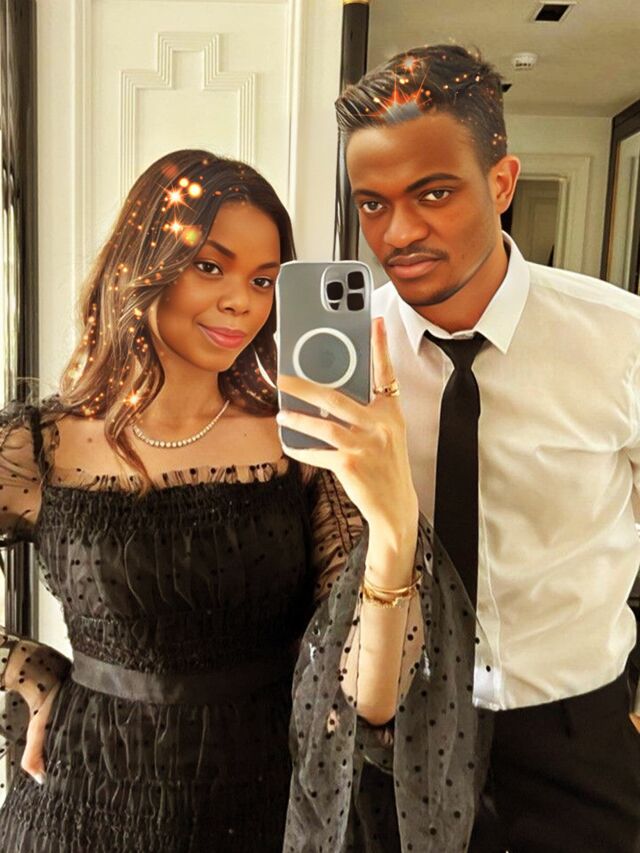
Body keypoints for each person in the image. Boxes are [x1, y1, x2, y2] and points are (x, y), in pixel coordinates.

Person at [0, 147, 471, 852]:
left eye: (263, 280)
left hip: (263, 802)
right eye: (210, 267)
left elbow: (370, 699)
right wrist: (30, 671)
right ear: (142, 261)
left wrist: (395, 521)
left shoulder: (301, 447)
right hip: (80, 803)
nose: (241, 302)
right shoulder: (40, 447)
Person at [313, 42, 640, 853]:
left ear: (501, 182)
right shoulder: (340, 356)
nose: (399, 232)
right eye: (374, 203)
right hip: (395, 739)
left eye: (433, 193)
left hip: (578, 733)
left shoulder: (622, 340)